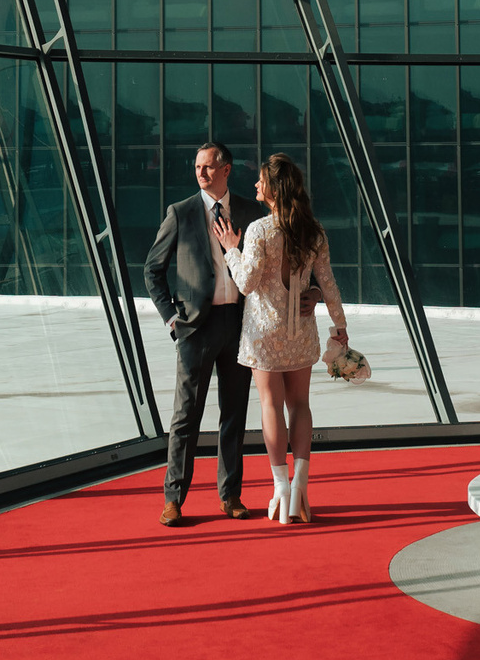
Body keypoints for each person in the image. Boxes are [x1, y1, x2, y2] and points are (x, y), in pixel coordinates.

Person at [217, 152, 348, 524]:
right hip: (300, 331)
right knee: (301, 406)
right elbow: (329, 283)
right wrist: (339, 326)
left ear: (273, 189)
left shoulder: (258, 231)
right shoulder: (313, 230)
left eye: (260, 181)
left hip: (263, 334)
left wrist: (231, 250)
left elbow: (245, 283)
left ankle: (280, 488)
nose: (255, 185)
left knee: (271, 407)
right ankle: (301, 484)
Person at [143, 142, 267, 527]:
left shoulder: (250, 212)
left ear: (226, 170)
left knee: (234, 413)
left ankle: (230, 496)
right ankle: (173, 499)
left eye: (209, 167)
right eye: (198, 167)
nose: (201, 173)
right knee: (186, 416)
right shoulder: (180, 214)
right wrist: (171, 319)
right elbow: (152, 270)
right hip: (195, 328)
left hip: (239, 324)